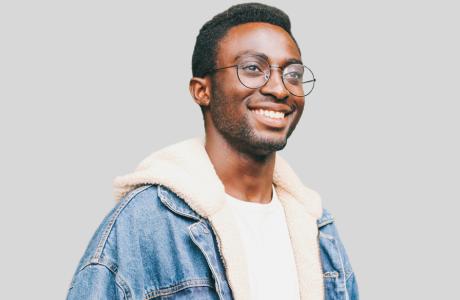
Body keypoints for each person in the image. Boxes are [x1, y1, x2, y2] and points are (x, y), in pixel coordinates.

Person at [66, 3, 358, 299]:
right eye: (253, 69)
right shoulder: (144, 224)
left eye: (292, 74)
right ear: (201, 90)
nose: (280, 89)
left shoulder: (318, 230)